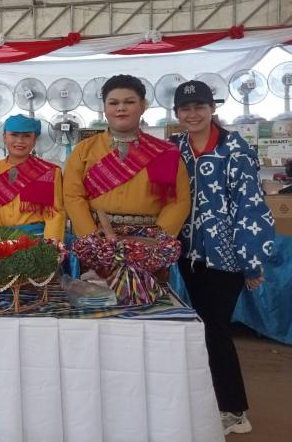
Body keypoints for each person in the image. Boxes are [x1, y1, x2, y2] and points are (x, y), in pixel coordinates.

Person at [171, 80, 274, 436]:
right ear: (176, 113)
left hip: (226, 257)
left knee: (215, 330)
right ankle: (212, 400)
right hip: (188, 255)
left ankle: (234, 410)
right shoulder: (176, 149)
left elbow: (251, 206)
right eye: (185, 108)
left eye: (199, 106)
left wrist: (251, 261)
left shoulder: (235, 149)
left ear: (212, 108)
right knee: (202, 329)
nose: (193, 114)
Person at [63, 74, 190, 238]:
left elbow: (178, 201)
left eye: (129, 102)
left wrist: (157, 241)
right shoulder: (83, 150)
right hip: (97, 237)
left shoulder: (165, 152)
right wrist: (92, 238)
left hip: (150, 240)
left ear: (143, 106)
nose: (121, 108)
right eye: (113, 103)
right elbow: (72, 196)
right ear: (104, 108)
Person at [0, 115, 66, 242]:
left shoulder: (47, 172)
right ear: (4, 137)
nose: (20, 141)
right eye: (14, 135)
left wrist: (50, 248)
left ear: (34, 140)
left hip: (35, 240)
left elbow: (54, 215)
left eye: (27, 136)